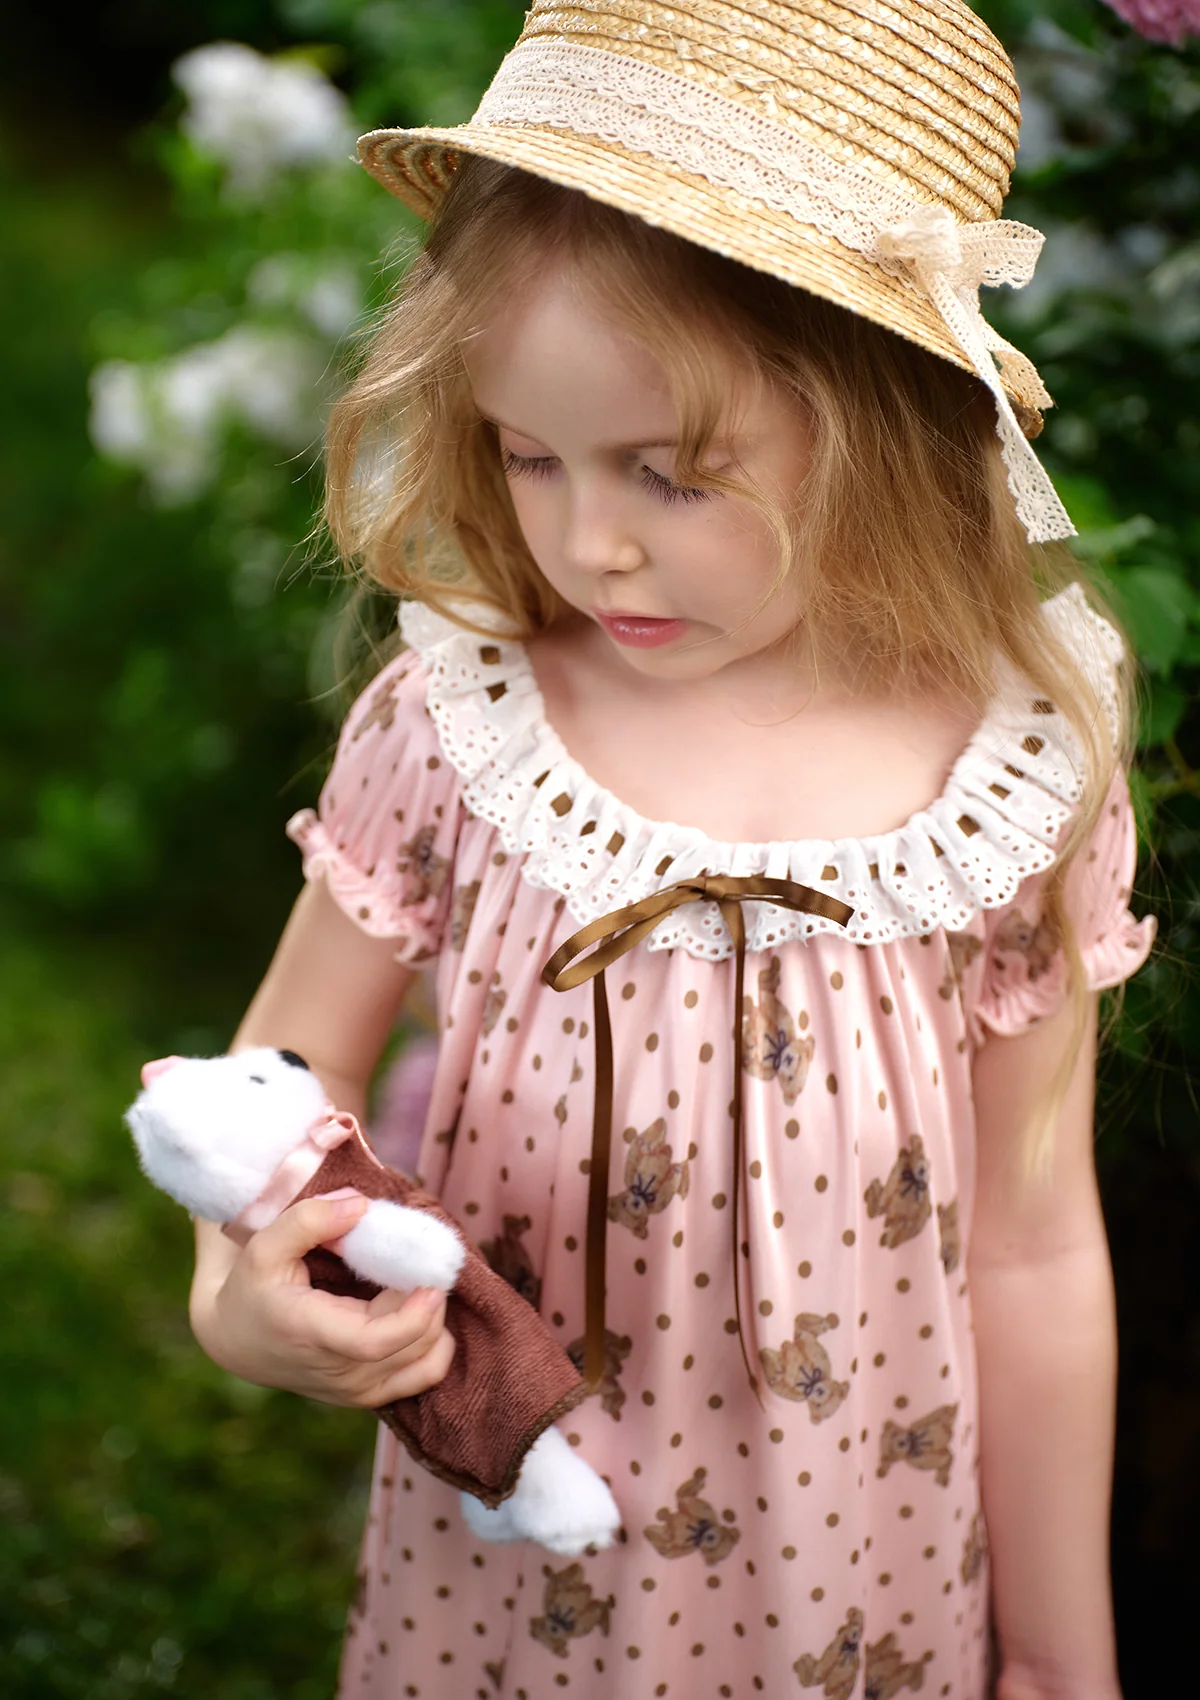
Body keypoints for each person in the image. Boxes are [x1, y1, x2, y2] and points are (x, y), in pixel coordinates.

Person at [186, 3, 1157, 1695]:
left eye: (673, 473)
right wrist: (237, 1293)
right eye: (529, 454)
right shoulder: (463, 726)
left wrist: (1067, 1658)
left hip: (856, 1580)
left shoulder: (1010, 785)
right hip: (508, 1577)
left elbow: (1033, 1241)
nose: (590, 543)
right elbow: (274, 1083)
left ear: (894, 424)